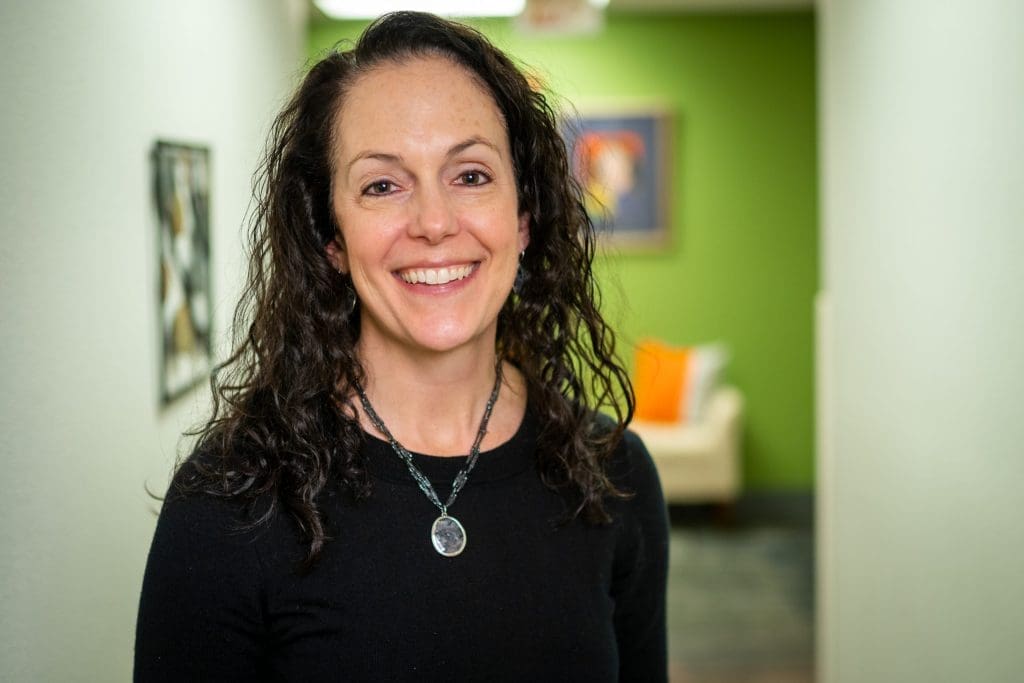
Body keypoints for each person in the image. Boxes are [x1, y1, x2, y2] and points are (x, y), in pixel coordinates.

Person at [134, 11, 668, 682]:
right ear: (331, 236)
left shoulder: (614, 474)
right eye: (382, 185)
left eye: (470, 176)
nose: (435, 224)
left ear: (524, 215)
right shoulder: (231, 503)